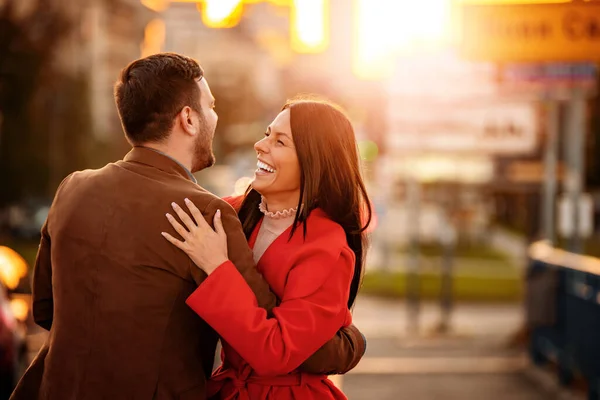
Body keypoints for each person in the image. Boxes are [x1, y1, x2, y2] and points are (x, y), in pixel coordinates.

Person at [10, 53, 365, 400]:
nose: (259, 144)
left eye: (279, 140)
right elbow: (269, 330)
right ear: (188, 120)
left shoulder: (72, 187)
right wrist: (347, 345)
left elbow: (45, 307)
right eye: (211, 107)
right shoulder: (208, 213)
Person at [162, 98, 372, 399]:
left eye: (280, 141)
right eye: (266, 134)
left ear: (313, 159)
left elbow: (277, 352)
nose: (260, 146)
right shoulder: (233, 214)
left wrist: (217, 266)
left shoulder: (327, 246)